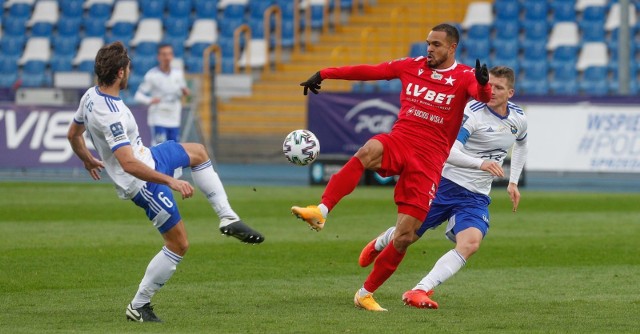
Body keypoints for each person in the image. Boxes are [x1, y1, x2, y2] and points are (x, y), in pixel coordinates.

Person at [291, 23, 492, 311]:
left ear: (451, 48)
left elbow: (482, 96)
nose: (429, 49)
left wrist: (483, 84)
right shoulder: (411, 66)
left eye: (436, 44)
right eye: (428, 43)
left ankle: (364, 294)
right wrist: (325, 73)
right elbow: (369, 71)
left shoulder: (464, 77)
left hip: (429, 161)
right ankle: (321, 211)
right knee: (367, 150)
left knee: (404, 237)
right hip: (401, 140)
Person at [67, 42, 264, 323]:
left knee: (198, 152)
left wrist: (86, 158)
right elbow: (128, 164)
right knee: (179, 244)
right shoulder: (109, 113)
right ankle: (139, 305)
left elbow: (73, 134)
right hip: (141, 183)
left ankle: (227, 217)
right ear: (121, 72)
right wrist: (170, 181)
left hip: (149, 157)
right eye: (129, 69)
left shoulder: (90, 95)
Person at [359, 66, 528, 310]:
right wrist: (481, 164)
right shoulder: (472, 113)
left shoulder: (518, 118)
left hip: (476, 195)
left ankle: (420, 289)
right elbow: (449, 151)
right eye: (489, 85)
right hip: (444, 185)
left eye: (499, 88)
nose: (491, 91)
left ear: (510, 92)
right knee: (407, 236)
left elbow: (522, 144)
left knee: (470, 243)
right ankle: (380, 242)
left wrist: (513, 181)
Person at [134, 43, 189, 146]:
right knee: (160, 147)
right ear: (158, 57)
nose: (167, 57)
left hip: (174, 116)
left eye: (169, 54)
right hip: (158, 116)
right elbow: (138, 95)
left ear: (172, 56)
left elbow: (183, 90)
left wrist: (185, 92)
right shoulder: (152, 75)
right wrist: (150, 100)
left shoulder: (178, 74)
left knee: (174, 148)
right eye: (164, 54)